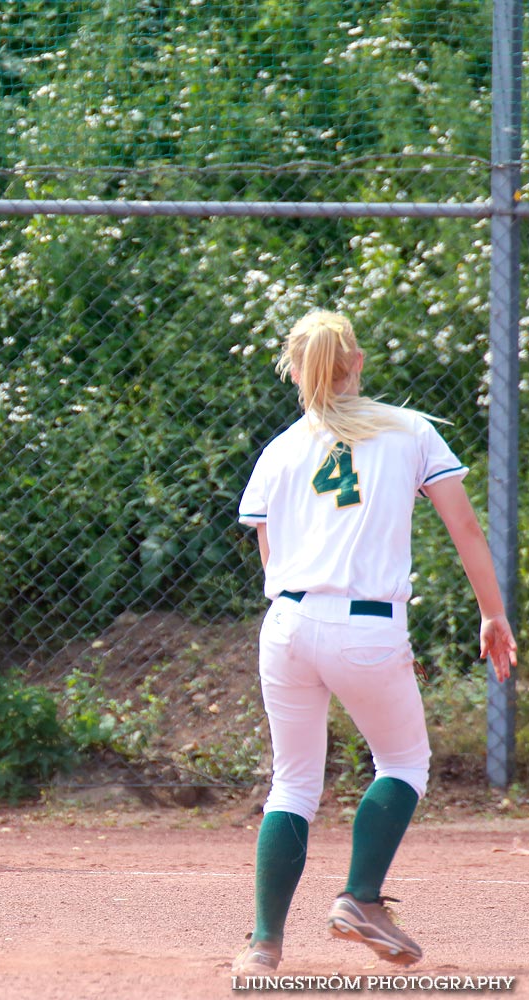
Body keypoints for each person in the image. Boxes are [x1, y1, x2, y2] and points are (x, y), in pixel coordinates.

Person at [231, 311, 517, 974]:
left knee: (293, 784)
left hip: (288, 624)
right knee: (403, 764)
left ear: (297, 372)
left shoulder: (279, 450)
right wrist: (491, 613)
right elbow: (466, 530)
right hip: (366, 624)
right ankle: (359, 897)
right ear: (356, 363)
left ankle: (263, 946)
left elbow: (271, 564)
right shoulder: (408, 430)